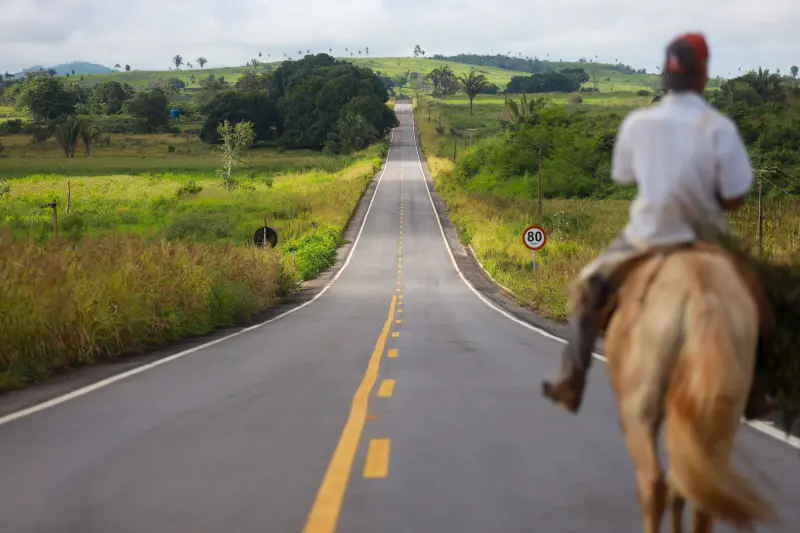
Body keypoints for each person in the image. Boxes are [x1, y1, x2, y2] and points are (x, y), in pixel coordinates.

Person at [541, 32, 774, 419]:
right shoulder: (719, 127)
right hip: (708, 240)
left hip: (646, 238)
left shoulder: (639, 123)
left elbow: (624, 176)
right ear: (703, 77)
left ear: (666, 77)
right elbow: (736, 197)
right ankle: (755, 391)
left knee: (587, 290)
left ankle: (572, 382)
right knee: (759, 300)